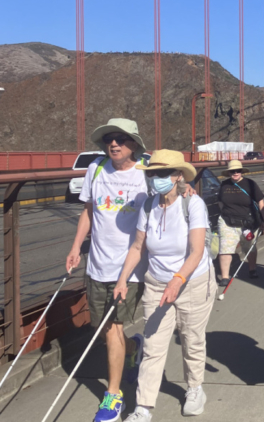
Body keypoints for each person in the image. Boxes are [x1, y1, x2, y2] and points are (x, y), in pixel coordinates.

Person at [114, 150, 216, 421]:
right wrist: (122, 279)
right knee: (153, 344)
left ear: (178, 176)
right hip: (158, 283)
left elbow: (196, 251)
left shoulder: (193, 205)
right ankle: (143, 406)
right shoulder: (148, 206)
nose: (156, 178)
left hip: (192, 281)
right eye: (152, 173)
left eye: (162, 173)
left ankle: (195, 388)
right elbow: (137, 247)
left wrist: (178, 279)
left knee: (192, 339)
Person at [65, 118, 149, 422]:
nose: (113, 144)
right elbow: (88, 212)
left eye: (121, 139)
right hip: (96, 265)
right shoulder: (96, 169)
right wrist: (76, 247)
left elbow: (173, 194)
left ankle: (113, 397)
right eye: (108, 139)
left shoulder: (145, 174)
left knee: (113, 328)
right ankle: (133, 348)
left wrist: (186, 191)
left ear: (135, 144)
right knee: (102, 329)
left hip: (129, 268)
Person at [217, 160, 264, 285]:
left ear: (241, 171)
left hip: (248, 222)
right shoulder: (224, 185)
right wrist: (224, 213)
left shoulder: (250, 184)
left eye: (238, 170)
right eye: (232, 171)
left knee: (249, 246)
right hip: (227, 221)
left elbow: (261, 203)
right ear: (228, 172)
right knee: (225, 247)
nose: (235, 173)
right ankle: (225, 277)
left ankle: (252, 269)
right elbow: (220, 202)